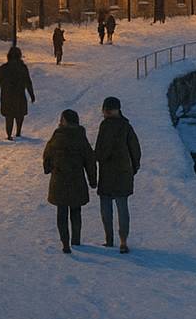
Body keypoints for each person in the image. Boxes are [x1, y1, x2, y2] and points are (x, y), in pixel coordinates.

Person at [42, 109, 97, 254]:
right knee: (76, 210)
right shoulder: (81, 137)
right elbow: (90, 160)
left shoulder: (57, 136)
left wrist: (48, 168)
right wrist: (92, 180)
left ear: (65, 121)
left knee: (61, 212)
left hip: (59, 180)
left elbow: (47, 154)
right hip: (76, 180)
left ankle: (65, 243)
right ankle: (76, 240)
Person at [93, 96, 142, 253]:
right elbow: (135, 150)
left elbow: (100, 151)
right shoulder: (126, 126)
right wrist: (133, 168)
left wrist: (97, 159)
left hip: (107, 172)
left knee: (106, 207)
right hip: (123, 172)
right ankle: (123, 241)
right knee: (122, 207)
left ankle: (109, 240)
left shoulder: (105, 126)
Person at [0, 45, 35, 139]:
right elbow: (28, 82)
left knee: (9, 116)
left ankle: (9, 134)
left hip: (7, 95)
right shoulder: (22, 68)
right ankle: (18, 132)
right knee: (19, 114)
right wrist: (31, 94)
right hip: (19, 95)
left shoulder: (2, 68)